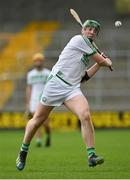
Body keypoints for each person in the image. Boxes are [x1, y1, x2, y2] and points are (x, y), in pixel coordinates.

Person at [16, 20, 112, 170]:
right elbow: (101, 60)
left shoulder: (87, 51)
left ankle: (91, 155)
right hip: (55, 84)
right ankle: (23, 151)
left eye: (95, 30)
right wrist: (105, 61)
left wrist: (99, 64)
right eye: (88, 28)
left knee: (85, 115)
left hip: (72, 89)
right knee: (37, 121)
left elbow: (84, 78)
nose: (91, 32)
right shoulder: (78, 40)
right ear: (83, 30)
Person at [25, 53, 51, 147]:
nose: (38, 62)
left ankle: (48, 134)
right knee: (36, 121)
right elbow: (29, 88)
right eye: (36, 60)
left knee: (45, 123)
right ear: (34, 62)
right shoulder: (30, 74)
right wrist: (28, 103)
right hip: (34, 100)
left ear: (42, 61)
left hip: (44, 99)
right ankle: (39, 139)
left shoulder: (47, 73)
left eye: (39, 60)